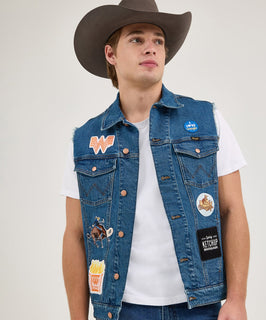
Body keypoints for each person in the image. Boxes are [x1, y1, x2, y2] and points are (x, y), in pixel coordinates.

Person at [62, 1, 250, 319]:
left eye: (158, 41)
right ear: (111, 54)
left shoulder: (207, 120)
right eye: (137, 39)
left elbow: (233, 210)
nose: (151, 48)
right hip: (122, 309)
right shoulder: (86, 140)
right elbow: (75, 234)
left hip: (200, 306)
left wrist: (237, 300)